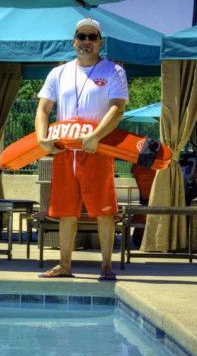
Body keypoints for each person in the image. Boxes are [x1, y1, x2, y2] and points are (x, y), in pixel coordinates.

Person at [35, 18, 128, 280]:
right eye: (81, 36)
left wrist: (96, 136)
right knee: (65, 210)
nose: (86, 41)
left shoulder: (113, 71)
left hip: (97, 149)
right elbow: (43, 108)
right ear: (74, 41)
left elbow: (117, 108)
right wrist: (43, 137)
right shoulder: (59, 72)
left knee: (104, 211)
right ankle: (65, 265)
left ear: (100, 42)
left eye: (92, 37)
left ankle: (106, 267)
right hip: (65, 150)